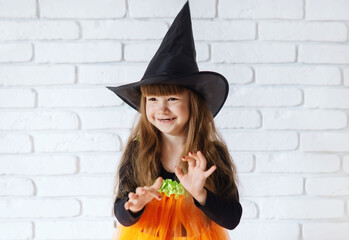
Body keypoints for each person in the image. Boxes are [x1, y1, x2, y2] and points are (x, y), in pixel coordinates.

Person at [107, 2, 242, 239]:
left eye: (171, 98)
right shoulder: (139, 149)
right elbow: (121, 210)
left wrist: (200, 193)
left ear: (193, 102)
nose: (161, 108)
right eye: (152, 99)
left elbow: (232, 218)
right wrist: (135, 206)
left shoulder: (212, 153)